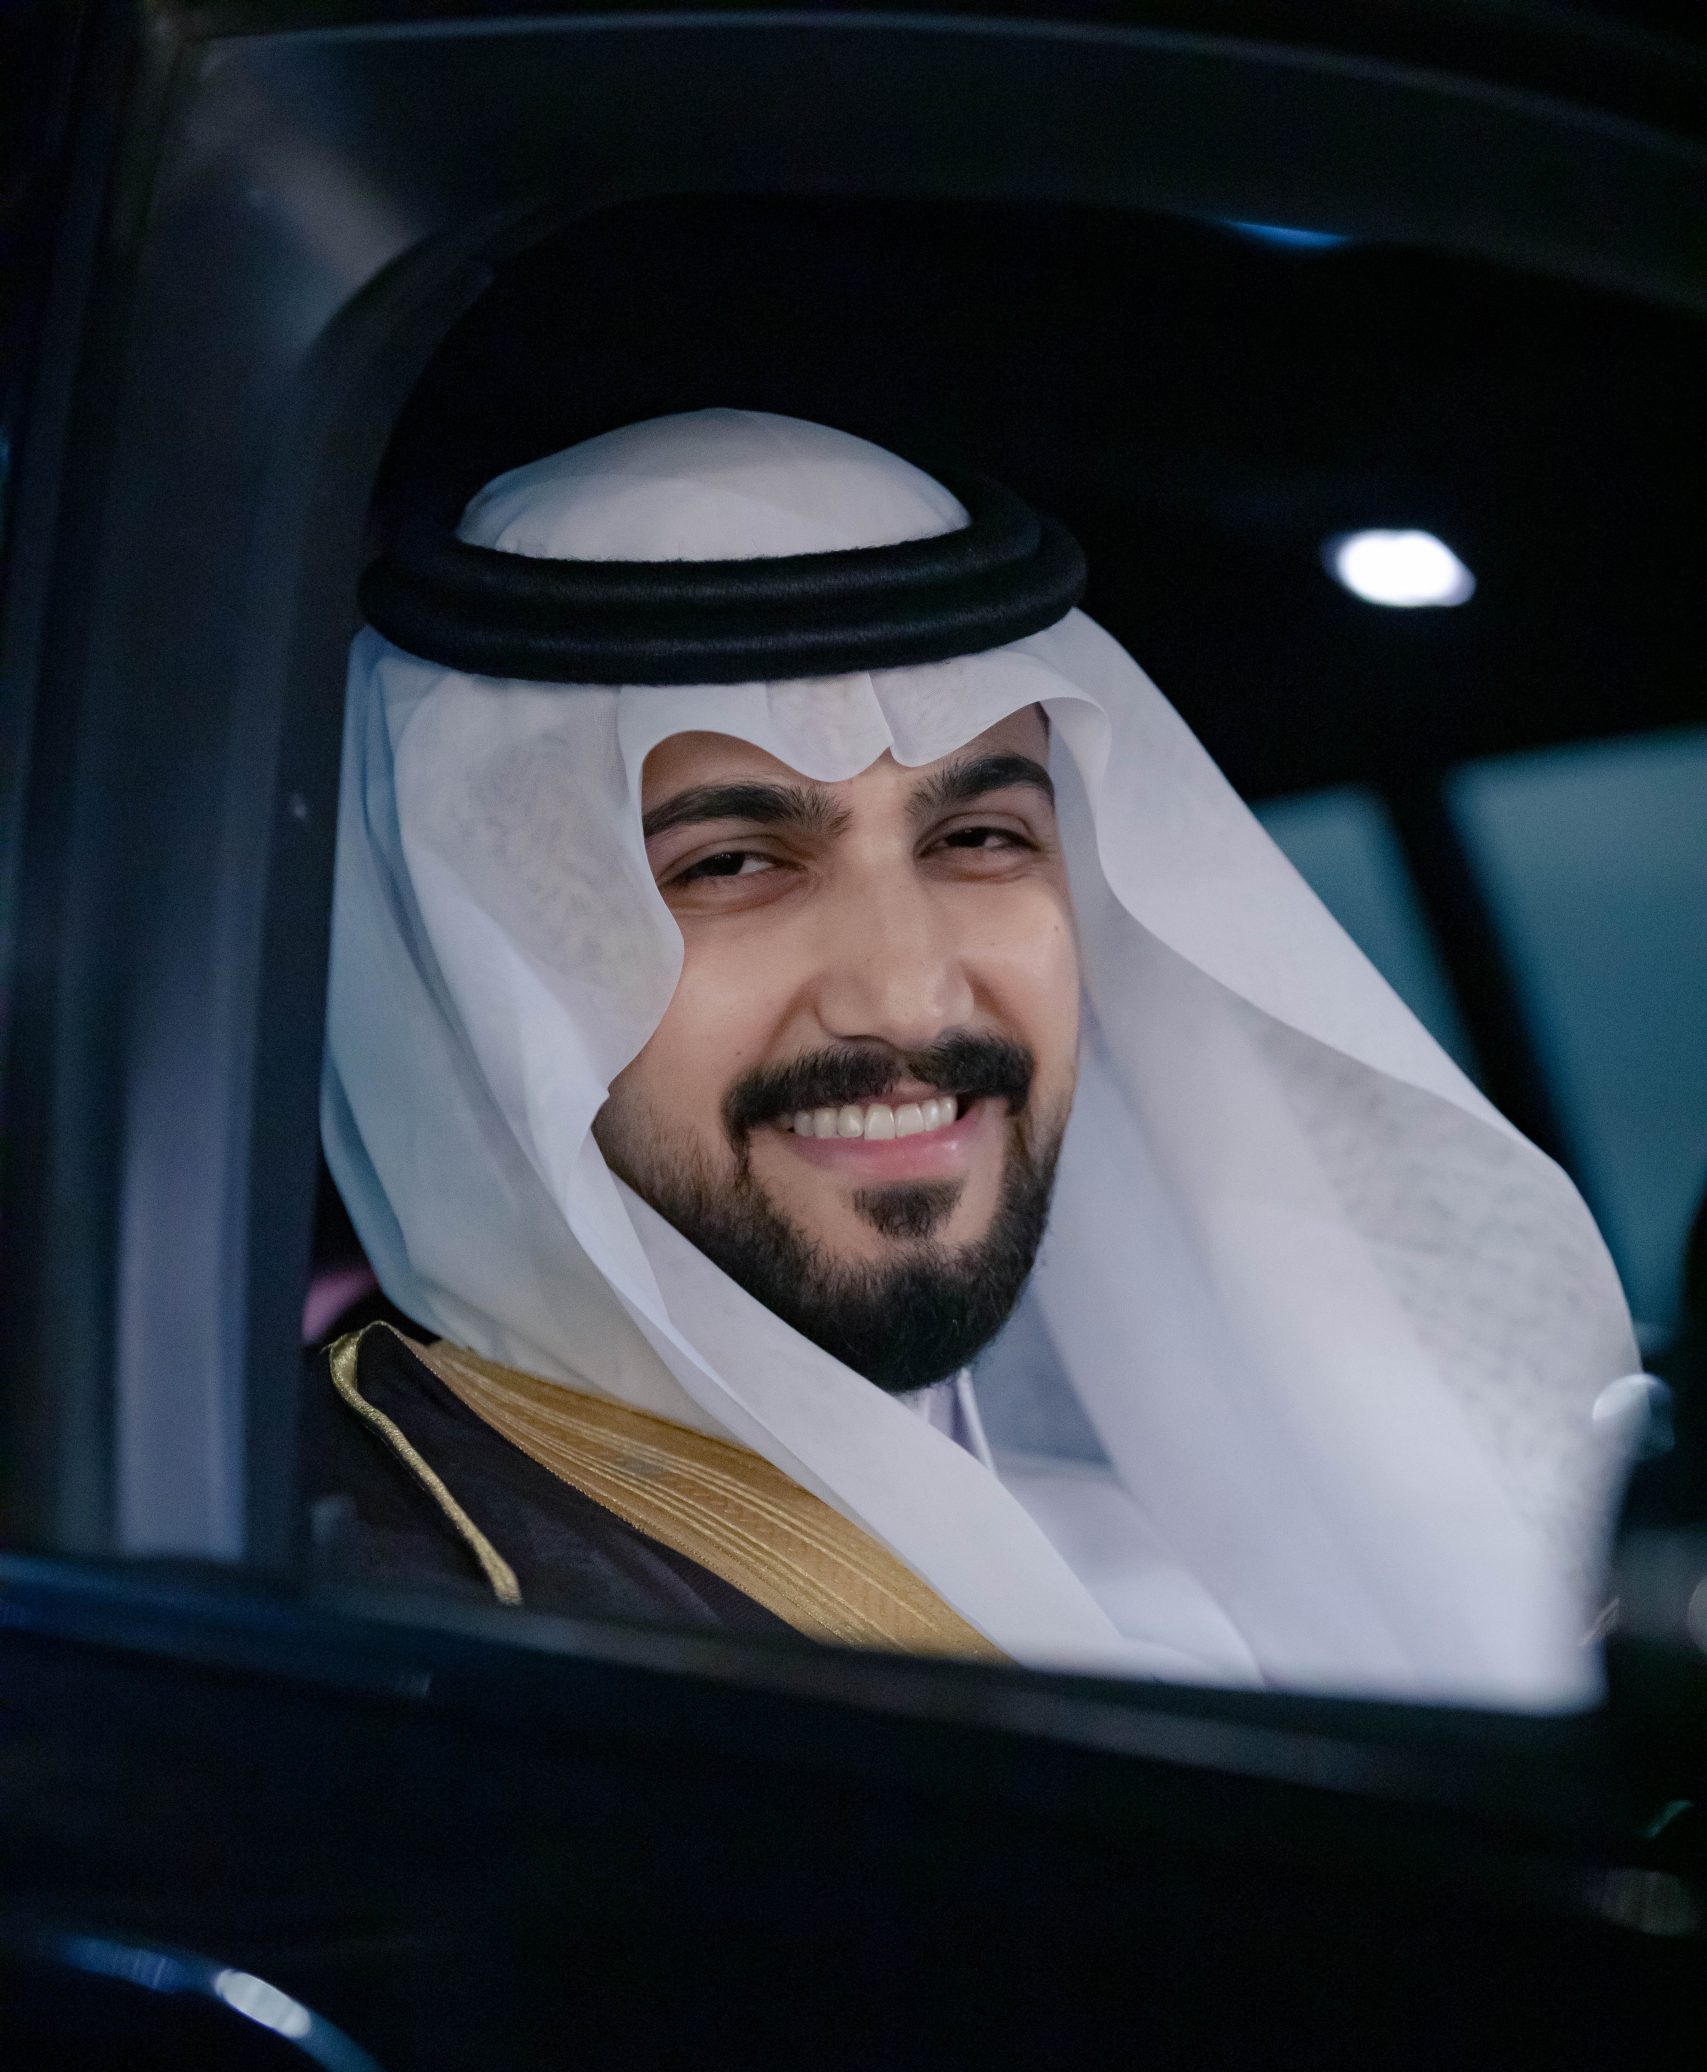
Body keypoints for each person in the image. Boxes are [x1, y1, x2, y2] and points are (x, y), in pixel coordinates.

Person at [306, 408, 1637, 1702]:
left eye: (980, 839)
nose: (910, 996)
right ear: (485, 956)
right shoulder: (372, 1622)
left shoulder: (1215, 1578)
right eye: (732, 863)